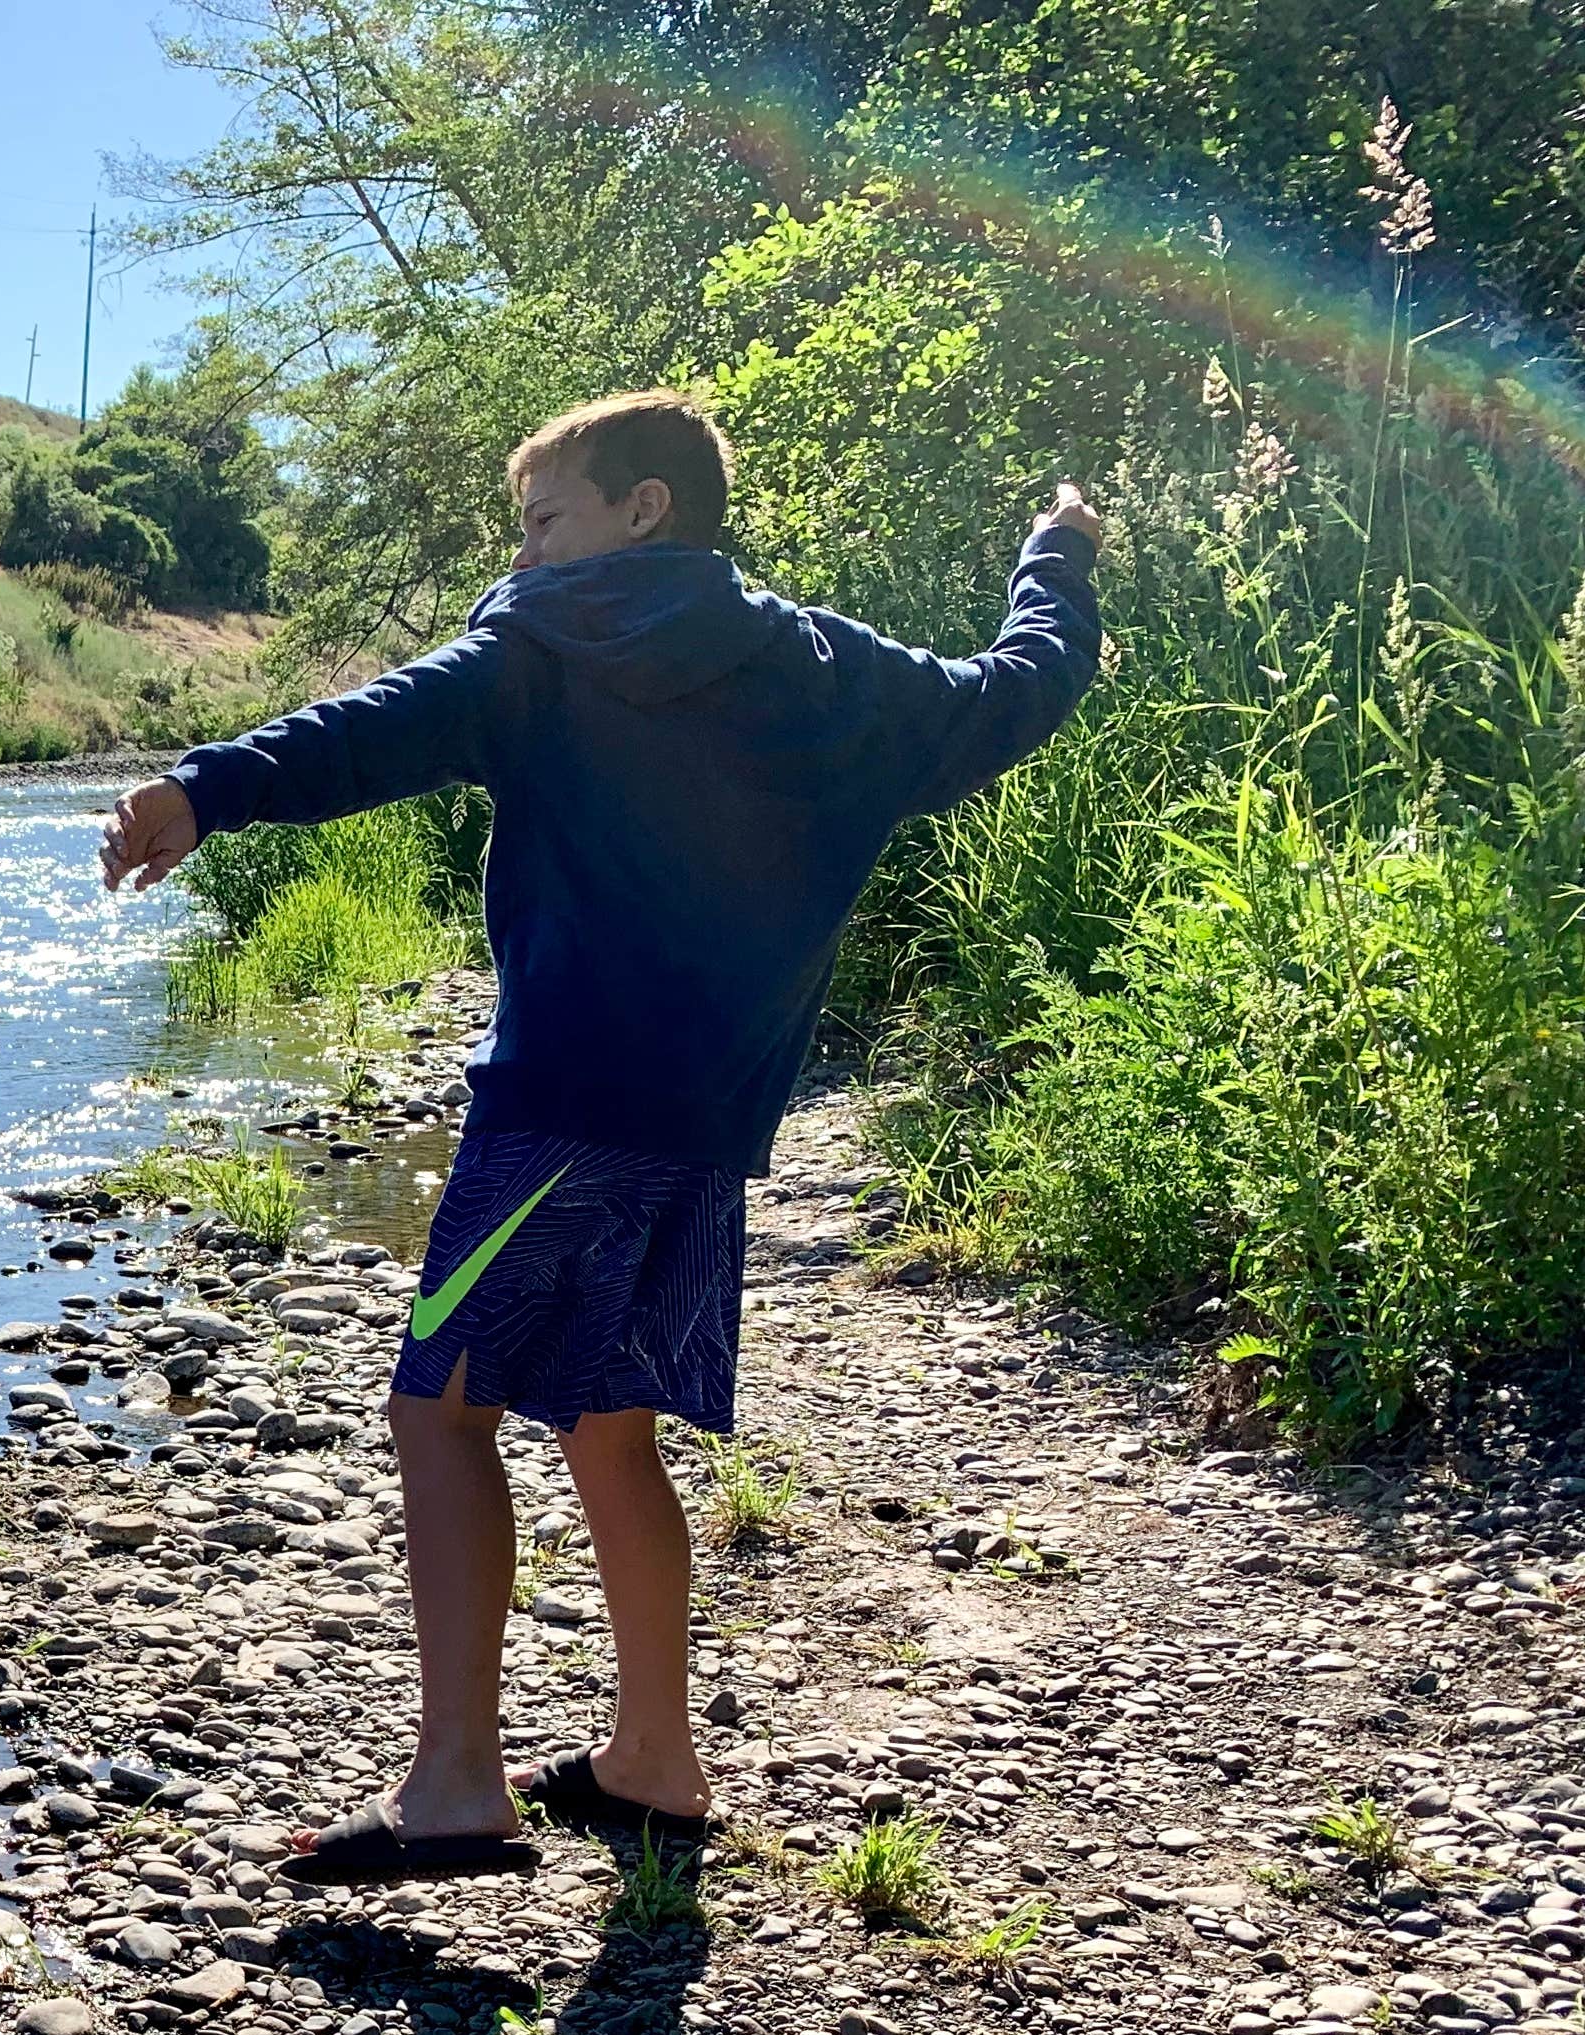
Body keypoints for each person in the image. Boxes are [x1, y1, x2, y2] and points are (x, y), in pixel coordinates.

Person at [98, 392, 1102, 1882]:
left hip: (559, 1107)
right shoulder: (830, 668)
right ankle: (653, 1760)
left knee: (437, 1411)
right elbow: (1011, 692)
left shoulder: (548, 645)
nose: (530, 550)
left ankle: (454, 1783)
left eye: (545, 518)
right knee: (606, 1425)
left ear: (646, 509)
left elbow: (382, 725)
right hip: (705, 1127)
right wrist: (1058, 559)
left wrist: (205, 790)